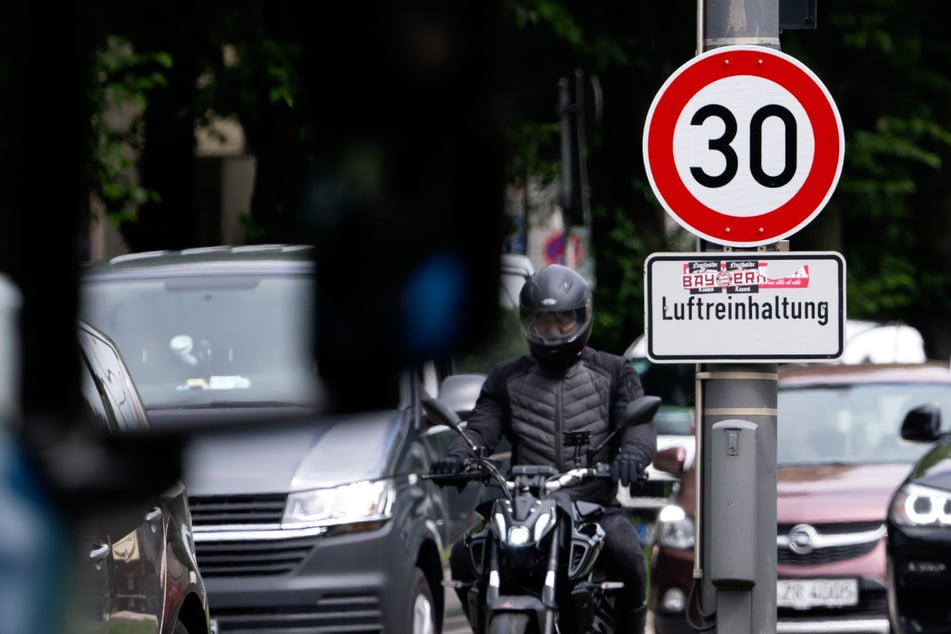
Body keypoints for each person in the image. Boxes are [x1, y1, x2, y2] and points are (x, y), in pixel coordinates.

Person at [431, 263, 657, 633]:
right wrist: (459, 457)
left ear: (582, 318)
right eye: (543, 321)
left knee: (629, 555)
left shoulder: (615, 372)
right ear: (528, 322)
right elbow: (481, 427)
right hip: (524, 503)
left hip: (593, 507)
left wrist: (632, 456)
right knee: (462, 555)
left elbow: (639, 426)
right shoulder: (506, 377)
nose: (552, 330)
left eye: (562, 321)